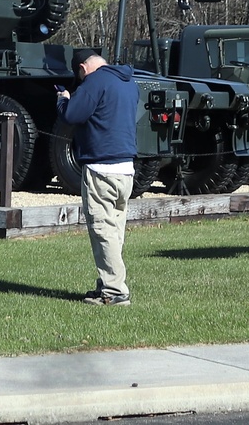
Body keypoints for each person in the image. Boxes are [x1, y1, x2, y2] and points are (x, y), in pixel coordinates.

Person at [55, 49, 139, 306]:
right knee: (115, 231)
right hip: (127, 168)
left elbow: (71, 115)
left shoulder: (95, 81)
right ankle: (108, 283)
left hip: (101, 168)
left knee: (102, 230)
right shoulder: (128, 82)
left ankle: (115, 291)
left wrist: (63, 99)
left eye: (79, 75)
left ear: (83, 67)